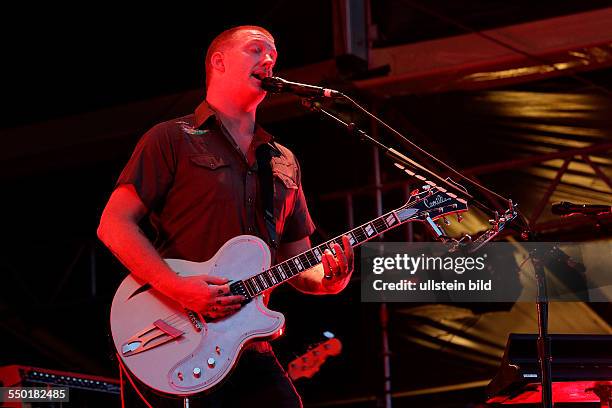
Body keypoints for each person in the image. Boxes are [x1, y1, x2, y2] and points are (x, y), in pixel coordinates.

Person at [97, 25, 354, 407]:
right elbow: (113, 224)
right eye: (256, 50)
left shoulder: (282, 160)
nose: (268, 59)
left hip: (249, 346)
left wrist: (330, 280)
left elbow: (296, 262)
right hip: (175, 333)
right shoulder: (171, 137)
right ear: (218, 61)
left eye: (273, 55)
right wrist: (178, 287)